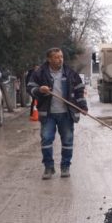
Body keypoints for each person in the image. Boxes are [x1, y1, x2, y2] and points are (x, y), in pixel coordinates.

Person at [27, 48, 87, 179]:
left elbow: (79, 90)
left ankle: (65, 166)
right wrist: (39, 90)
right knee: (46, 139)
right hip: (48, 114)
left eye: (61, 57)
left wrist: (83, 106)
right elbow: (30, 87)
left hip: (66, 113)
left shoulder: (70, 73)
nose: (60, 59)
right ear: (49, 59)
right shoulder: (40, 72)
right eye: (56, 57)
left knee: (67, 140)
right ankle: (48, 168)